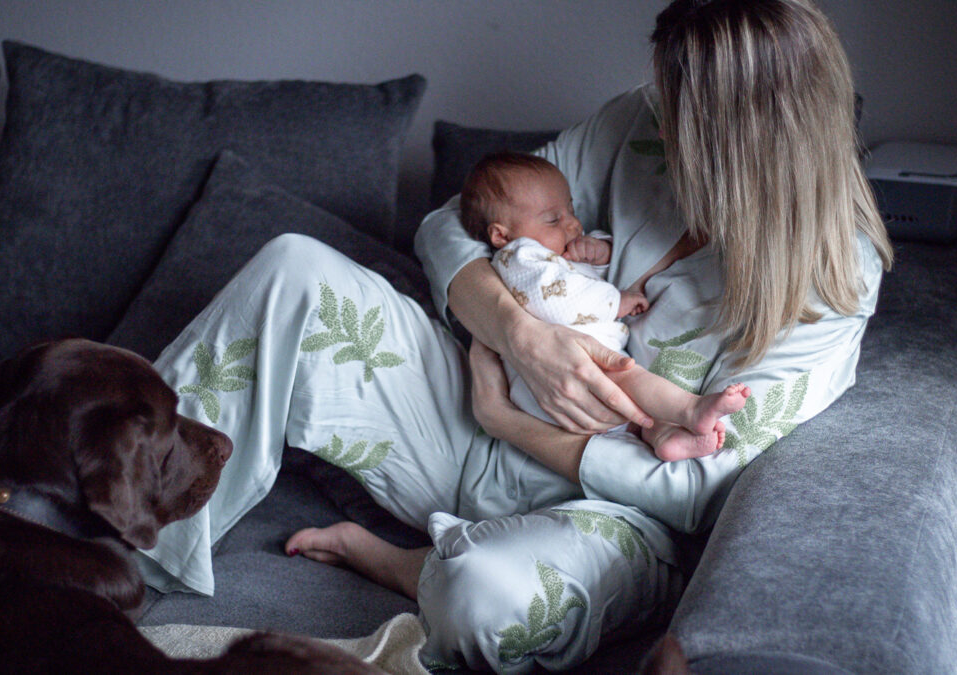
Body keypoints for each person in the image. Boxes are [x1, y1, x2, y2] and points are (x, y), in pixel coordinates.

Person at [136, 1, 893, 672]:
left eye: (680, 117)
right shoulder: (641, 121)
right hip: (467, 415)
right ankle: (127, 545)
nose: (657, 124)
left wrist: (507, 420)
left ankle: (409, 565)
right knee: (292, 270)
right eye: (662, 98)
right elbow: (452, 225)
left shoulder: (831, 284)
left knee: (485, 597)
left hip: (604, 511)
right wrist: (519, 333)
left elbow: (692, 491)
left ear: (747, 138)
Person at [459, 151, 750, 461]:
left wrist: (600, 253)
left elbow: (583, 276)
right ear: (501, 234)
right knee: (630, 379)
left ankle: (663, 436)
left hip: (582, 366)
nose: (573, 224)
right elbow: (558, 302)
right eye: (553, 219)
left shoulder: (551, 251)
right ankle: (691, 409)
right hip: (550, 379)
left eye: (571, 210)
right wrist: (615, 301)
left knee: (635, 402)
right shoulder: (519, 257)